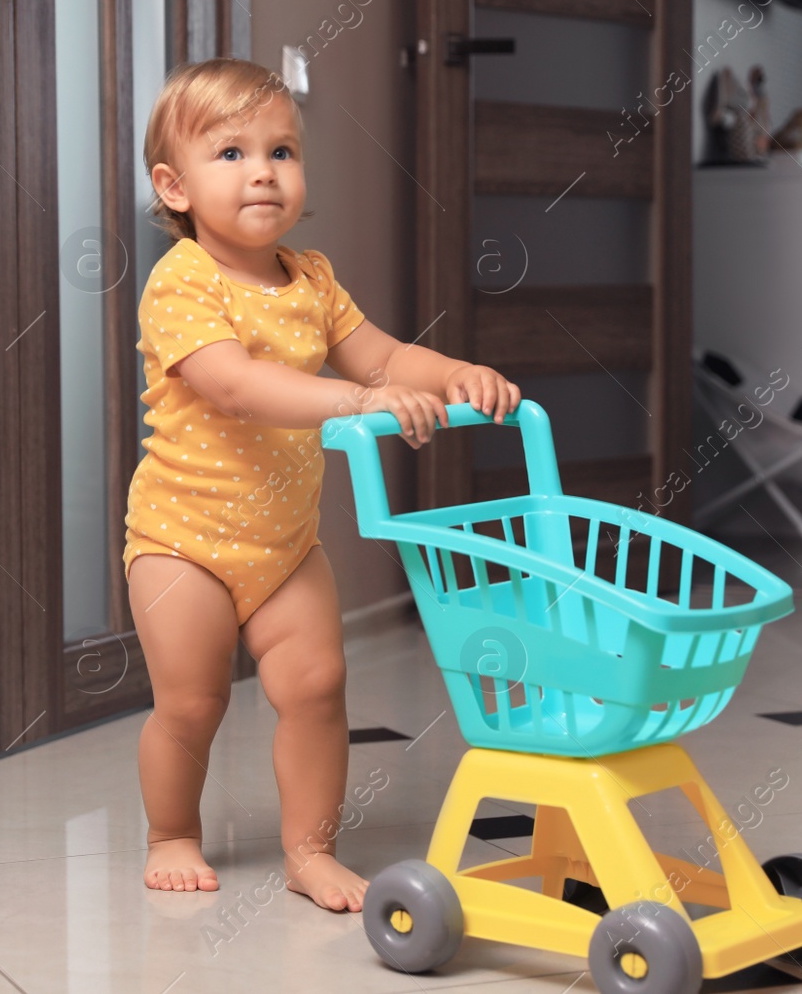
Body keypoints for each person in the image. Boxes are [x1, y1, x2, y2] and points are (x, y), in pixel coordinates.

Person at [125, 57, 520, 913]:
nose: (262, 170)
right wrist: (355, 399)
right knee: (189, 704)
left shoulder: (312, 280)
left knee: (315, 686)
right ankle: (171, 832)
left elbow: (382, 356)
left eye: (282, 150)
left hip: (283, 545)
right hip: (180, 542)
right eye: (229, 154)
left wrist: (456, 373)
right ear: (175, 185)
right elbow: (234, 383)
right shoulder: (182, 280)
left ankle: (309, 848)